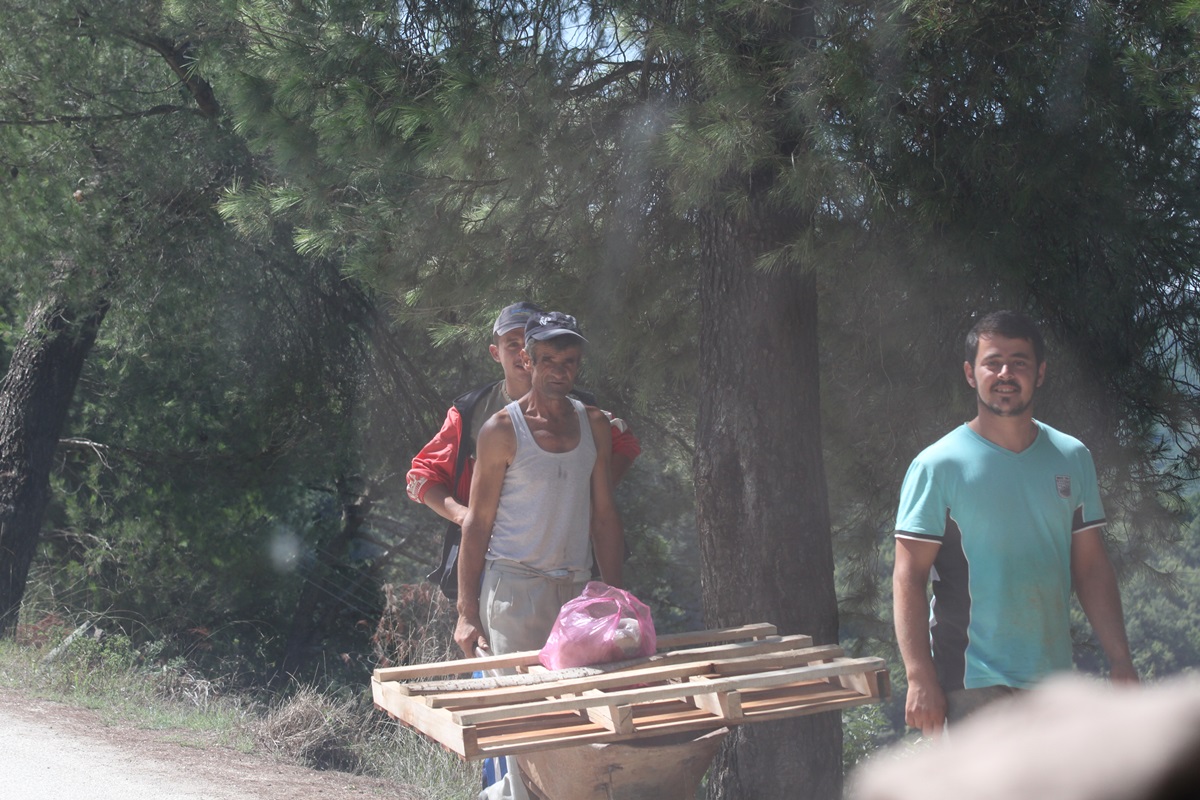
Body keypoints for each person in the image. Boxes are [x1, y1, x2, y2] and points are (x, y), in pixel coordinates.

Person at [892, 310, 1137, 738]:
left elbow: (1091, 568)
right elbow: (908, 576)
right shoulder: (938, 465)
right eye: (993, 362)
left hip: (1053, 685)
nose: (1005, 373)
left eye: (1019, 362)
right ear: (971, 374)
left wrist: (1121, 659)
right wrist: (919, 677)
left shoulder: (1071, 457)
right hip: (971, 682)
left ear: (1040, 373)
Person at [454, 311, 624, 660]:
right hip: (514, 592)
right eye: (548, 360)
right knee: (521, 695)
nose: (559, 371)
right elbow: (478, 522)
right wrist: (466, 613)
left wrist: (617, 595)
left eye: (568, 362)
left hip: (576, 590)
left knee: (583, 693)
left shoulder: (594, 425)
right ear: (527, 360)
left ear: (578, 365)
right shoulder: (501, 430)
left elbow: (604, 517)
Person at [406, 301, 639, 534]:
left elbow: (625, 442)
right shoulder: (470, 411)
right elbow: (422, 475)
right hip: (488, 547)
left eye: (528, 343)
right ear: (495, 353)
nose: (521, 352)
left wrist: (591, 499)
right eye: (512, 343)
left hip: (566, 545)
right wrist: (465, 517)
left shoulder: (581, 408)